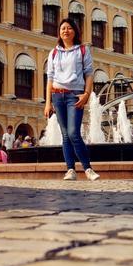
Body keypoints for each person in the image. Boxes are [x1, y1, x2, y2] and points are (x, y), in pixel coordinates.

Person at [44, 18, 100, 181]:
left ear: (75, 31)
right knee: (65, 135)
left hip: (74, 95)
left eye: (69, 28)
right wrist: (48, 103)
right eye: (62, 28)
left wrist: (87, 94)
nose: (65, 31)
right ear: (59, 33)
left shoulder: (82, 50)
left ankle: (88, 168)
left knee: (74, 133)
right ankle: (70, 170)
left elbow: (89, 73)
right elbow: (50, 78)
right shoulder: (54, 52)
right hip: (57, 95)